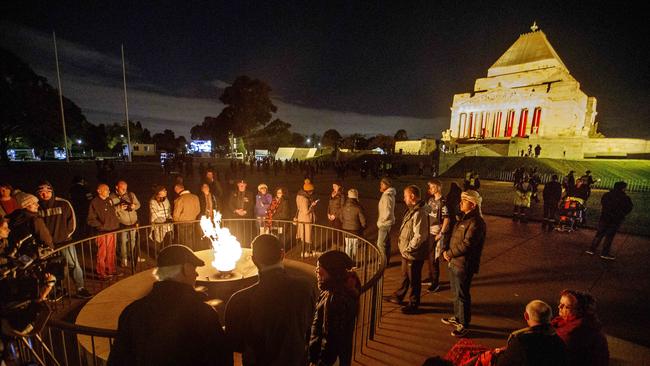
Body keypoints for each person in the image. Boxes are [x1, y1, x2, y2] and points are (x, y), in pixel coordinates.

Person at [108, 245, 232, 366]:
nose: (196, 275)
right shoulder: (202, 313)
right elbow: (220, 358)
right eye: (194, 269)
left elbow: (118, 359)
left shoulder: (132, 312)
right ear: (186, 269)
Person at [225, 234, 317, 366]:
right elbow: (309, 325)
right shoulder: (305, 287)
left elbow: (236, 344)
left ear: (254, 260)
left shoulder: (240, 300)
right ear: (282, 254)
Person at [441, 190, 486, 337]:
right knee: (455, 293)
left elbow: (467, 245)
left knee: (462, 294)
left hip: (463, 264)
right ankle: (458, 318)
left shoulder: (476, 222)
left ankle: (464, 324)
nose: (460, 203)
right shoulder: (464, 218)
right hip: (455, 262)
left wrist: (449, 253)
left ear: (472, 205)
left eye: (464, 201)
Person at [36, 181, 92, 299]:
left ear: (51, 191)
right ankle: (58, 289)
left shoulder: (63, 203)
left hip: (65, 242)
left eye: (46, 192)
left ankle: (80, 288)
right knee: (53, 268)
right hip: (47, 245)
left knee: (73, 264)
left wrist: (66, 235)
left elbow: (72, 221)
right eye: (41, 193)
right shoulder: (37, 207)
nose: (44, 195)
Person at [309, 250, 361, 366]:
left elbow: (331, 339)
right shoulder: (339, 290)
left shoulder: (335, 299)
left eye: (320, 270)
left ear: (332, 272)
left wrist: (320, 362)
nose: (316, 272)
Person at [387, 185, 428, 314]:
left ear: (412, 196)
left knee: (414, 279)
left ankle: (413, 303)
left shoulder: (419, 212)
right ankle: (398, 296)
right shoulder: (412, 210)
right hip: (407, 252)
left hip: (413, 253)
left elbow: (419, 235)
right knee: (405, 276)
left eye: (405, 196)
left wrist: (409, 249)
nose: (404, 199)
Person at [551, 289, 609, 366]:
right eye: (560, 303)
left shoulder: (577, 330)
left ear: (578, 310)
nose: (559, 307)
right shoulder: (564, 321)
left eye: (566, 306)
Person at [586, 181, 633, 260]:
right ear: (623, 188)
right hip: (616, 219)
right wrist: (622, 214)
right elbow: (629, 207)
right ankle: (604, 253)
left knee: (599, 234)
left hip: (605, 217)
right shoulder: (625, 198)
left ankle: (592, 249)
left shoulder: (607, 195)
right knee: (609, 236)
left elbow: (603, 203)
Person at [87, 184, 120, 280]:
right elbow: (90, 219)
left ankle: (111, 270)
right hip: (102, 232)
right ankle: (101, 273)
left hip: (112, 230)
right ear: (99, 191)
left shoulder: (109, 200)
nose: (109, 191)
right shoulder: (94, 202)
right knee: (102, 254)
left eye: (108, 189)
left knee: (111, 252)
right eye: (106, 190)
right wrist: (101, 226)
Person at [423, 179, 450, 293]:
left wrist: (441, 233)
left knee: (434, 258)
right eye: (430, 187)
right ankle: (430, 277)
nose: (430, 189)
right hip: (429, 232)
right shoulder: (430, 200)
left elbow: (447, 219)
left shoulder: (443, 202)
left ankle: (435, 282)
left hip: (436, 233)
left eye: (432, 187)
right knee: (429, 256)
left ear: (438, 187)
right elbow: (425, 212)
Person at [110, 180, 141, 268]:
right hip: (122, 223)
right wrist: (118, 208)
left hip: (133, 222)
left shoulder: (131, 195)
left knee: (133, 240)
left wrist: (134, 206)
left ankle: (131, 256)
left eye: (126, 189)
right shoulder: (111, 197)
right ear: (116, 187)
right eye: (122, 188)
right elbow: (110, 211)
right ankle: (124, 258)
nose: (124, 190)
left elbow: (138, 205)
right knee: (123, 241)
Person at [340, 189, 366, 260]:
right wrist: (363, 227)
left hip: (346, 230)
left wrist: (345, 223)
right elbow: (363, 221)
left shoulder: (344, 207)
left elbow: (341, 218)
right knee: (354, 247)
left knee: (348, 246)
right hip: (355, 231)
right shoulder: (358, 207)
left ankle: (346, 261)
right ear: (356, 197)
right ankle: (353, 262)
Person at [172, 183, 200, 249]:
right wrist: (192, 217)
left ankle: (185, 255)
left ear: (177, 189)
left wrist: (175, 221)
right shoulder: (195, 197)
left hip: (181, 223)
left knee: (183, 241)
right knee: (190, 239)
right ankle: (191, 253)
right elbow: (198, 210)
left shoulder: (180, 199)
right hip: (192, 221)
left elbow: (176, 214)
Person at [295, 179, 318, 257]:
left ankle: (305, 251)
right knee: (307, 236)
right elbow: (306, 211)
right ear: (308, 191)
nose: (312, 193)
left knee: (303, 236)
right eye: (311, 191)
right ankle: (306, 252)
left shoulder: (299, 196)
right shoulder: (305, 199)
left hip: (301, 218)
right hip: (306, 219)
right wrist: (312, 205)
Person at [376, 177, 396, 265]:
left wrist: (382, 221)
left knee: (380, 244)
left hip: (384, 224)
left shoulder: (387, 196)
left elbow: (387, 211)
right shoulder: (387, 194)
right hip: (387, 223)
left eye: (382, 184)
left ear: (386, 185)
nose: (380, 185)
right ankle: (386, 261)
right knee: (386, 243)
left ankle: (382, 262)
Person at [68, 176, 93, 240]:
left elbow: (70, 199)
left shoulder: (71, 189)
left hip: (75, 209)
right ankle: (86, 237)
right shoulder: (85, 189)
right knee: (85, 223)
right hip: (85, 209)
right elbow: (90, 199)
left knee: (77, 223)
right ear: (82, 181)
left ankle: (78, 237)